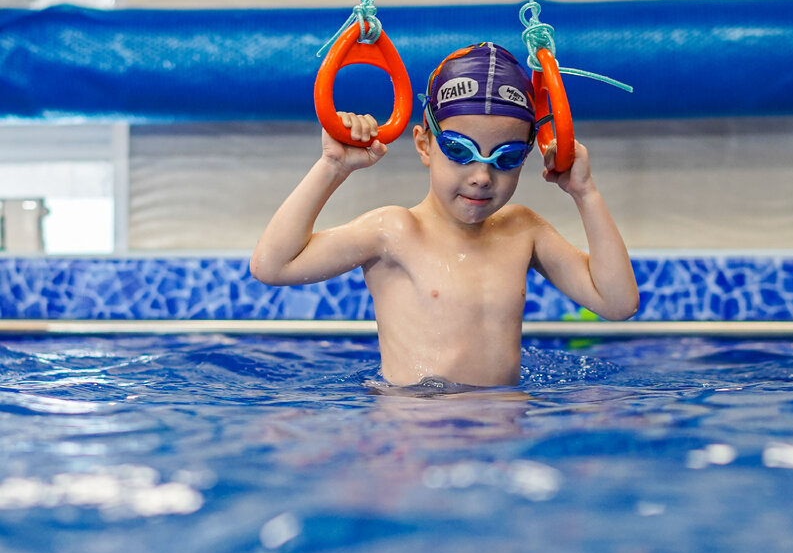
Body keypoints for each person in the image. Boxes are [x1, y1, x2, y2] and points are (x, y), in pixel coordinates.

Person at [251, 42, 639, 389]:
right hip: (416, 428)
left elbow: (617, 304)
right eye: (459, 151)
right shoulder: (393, 231)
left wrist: (585, 193)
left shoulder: (523, 231)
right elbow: (272, 266)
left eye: (505, 159)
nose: (481, 177)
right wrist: (332, 166)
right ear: (424, 144)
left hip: (503, 432)